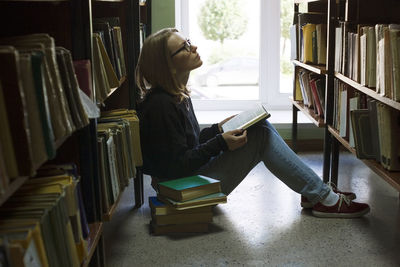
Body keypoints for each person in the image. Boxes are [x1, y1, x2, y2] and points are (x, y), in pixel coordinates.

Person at [135, 28, 370, 218]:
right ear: (168, 64)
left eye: (188, 41)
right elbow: (176, 166)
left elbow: (189, 143)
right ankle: (324, 199)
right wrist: (221, 143)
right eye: (184, 47)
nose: (193, 46)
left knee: (260, 126)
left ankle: (314, 193)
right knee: (261, 136)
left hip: (187, 179)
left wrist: (219, 130)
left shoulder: (177, 95)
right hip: (179, 190)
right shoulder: (161, 106)